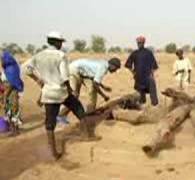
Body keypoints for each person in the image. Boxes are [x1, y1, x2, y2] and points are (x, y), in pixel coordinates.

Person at [24, 31, 101, 160]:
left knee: (50, 123)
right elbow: (65, 76)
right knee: (79, 110)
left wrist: (38, 80)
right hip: (61, 91)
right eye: (60, 42)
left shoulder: (38, 55)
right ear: (57, 42)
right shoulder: (61, 55)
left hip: (47, 92)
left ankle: (53, 153)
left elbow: (27, 69)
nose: (61, 44)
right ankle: (86, 136)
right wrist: (71, 90)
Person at [57, 57, 121, 123]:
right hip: (74, 70)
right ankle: (60, 116)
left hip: (82, 72)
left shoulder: (104, 64)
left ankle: (89, 114)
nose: (115, 71)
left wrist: (103, 87)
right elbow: (95, 84)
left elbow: (95, 79)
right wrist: (104, 96)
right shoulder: (103, 68)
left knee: (92, 92)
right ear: (112, 65)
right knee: (74, 96)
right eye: (115, 69)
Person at [125, 36, 159, 106]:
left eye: (141, 42)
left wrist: (151, 74)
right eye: (138, 43)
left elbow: (154, 66)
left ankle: (155, 109)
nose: (140, 44)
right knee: (141, 98)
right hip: (139, 77)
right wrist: (133, 73)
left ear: (144, 43)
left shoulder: (149, 53)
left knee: (154, 97)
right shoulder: (134, 53)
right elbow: (128, 65)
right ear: (137, 43)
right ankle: (142, 110)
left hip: (148, 77)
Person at [1, 51, 24, 136]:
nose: (1, 61)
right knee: (10, 111)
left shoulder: (11, 69)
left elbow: (11, 83)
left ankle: (15, 131)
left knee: (13, 111)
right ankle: (13, 129)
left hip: (11, 93)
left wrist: (5, 96)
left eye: (2, 59)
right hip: (8, 92)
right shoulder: (9, 68)